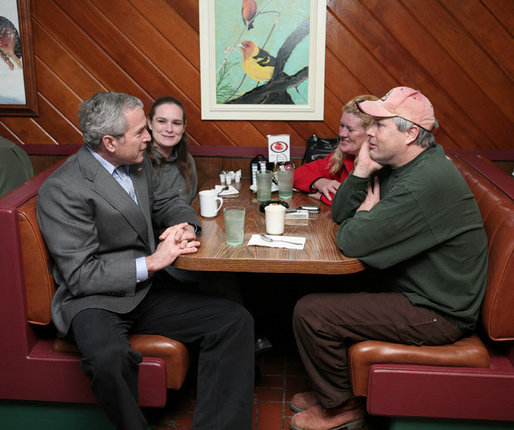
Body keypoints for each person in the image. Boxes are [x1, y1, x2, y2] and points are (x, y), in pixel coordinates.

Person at [36, 92, 254, 430]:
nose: (149, 137)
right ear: (109, 142)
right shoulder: (64, 188)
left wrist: (185, 225)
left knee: (234, 321)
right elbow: (80, 275)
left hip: (146, 291)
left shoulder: (137, 163)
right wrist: (152, 262)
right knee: (107, 360)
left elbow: (168, 201)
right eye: (140, 132)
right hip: (94, 301)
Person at [290, 87, 488, 430]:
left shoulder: (424, 181)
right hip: (413, 288)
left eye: (380, 125)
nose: (369, 132)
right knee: (313, 285)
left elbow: (351, 239)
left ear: (411, 133)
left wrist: (365, 216)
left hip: (439, 310)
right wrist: (363, 170)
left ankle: (342, 407)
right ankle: (332, 390)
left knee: (311, 313)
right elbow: (340, 212)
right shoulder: (402, 164)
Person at [293, 95, 378, 206]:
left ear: (371, 133)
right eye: (342, 125)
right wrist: (319, 182)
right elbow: (296, 175)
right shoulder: (344, 156)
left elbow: (358, 205)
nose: (341, 134)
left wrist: (323, 196)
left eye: (350, 129)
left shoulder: (377, 163)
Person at [146, 96, 197, 204]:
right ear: (150, 123)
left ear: (183, 127)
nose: (169, 129)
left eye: (176, 123)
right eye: (161, 121)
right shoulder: (140, 161)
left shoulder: (188, 160)